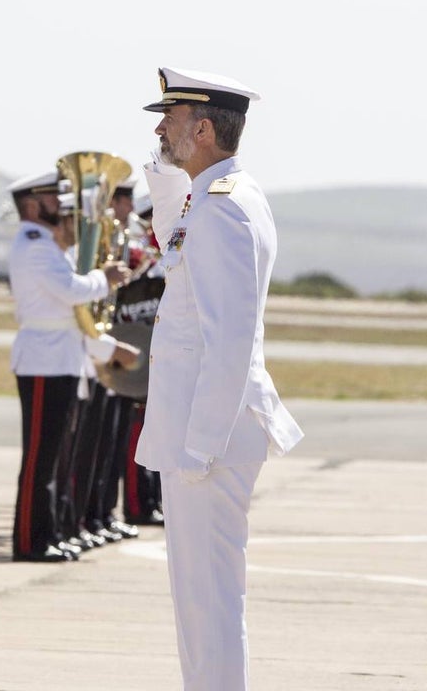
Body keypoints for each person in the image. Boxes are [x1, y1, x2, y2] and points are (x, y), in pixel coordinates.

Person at [138, 67, 304, 690]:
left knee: (209, 603)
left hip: (208, 436)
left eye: (171, 119)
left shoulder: (224, 209)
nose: (160, 128)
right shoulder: (214, 197)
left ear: (203, 129)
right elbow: (173, 245)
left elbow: (229, 341)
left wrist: (200, 445)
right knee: (199, 602)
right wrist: (164, 172)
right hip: (203, 433)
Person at [7, 171, 133, 563]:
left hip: (59, 357)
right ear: (32, 206)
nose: (59, 205)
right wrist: (104, 278)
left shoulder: (47, 245)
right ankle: (29, 540)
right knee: (40, 458)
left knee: (53, 457)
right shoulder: (35, 245)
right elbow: (71, 291)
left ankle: (47, 534)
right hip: (43, 358)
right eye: (51, 198)